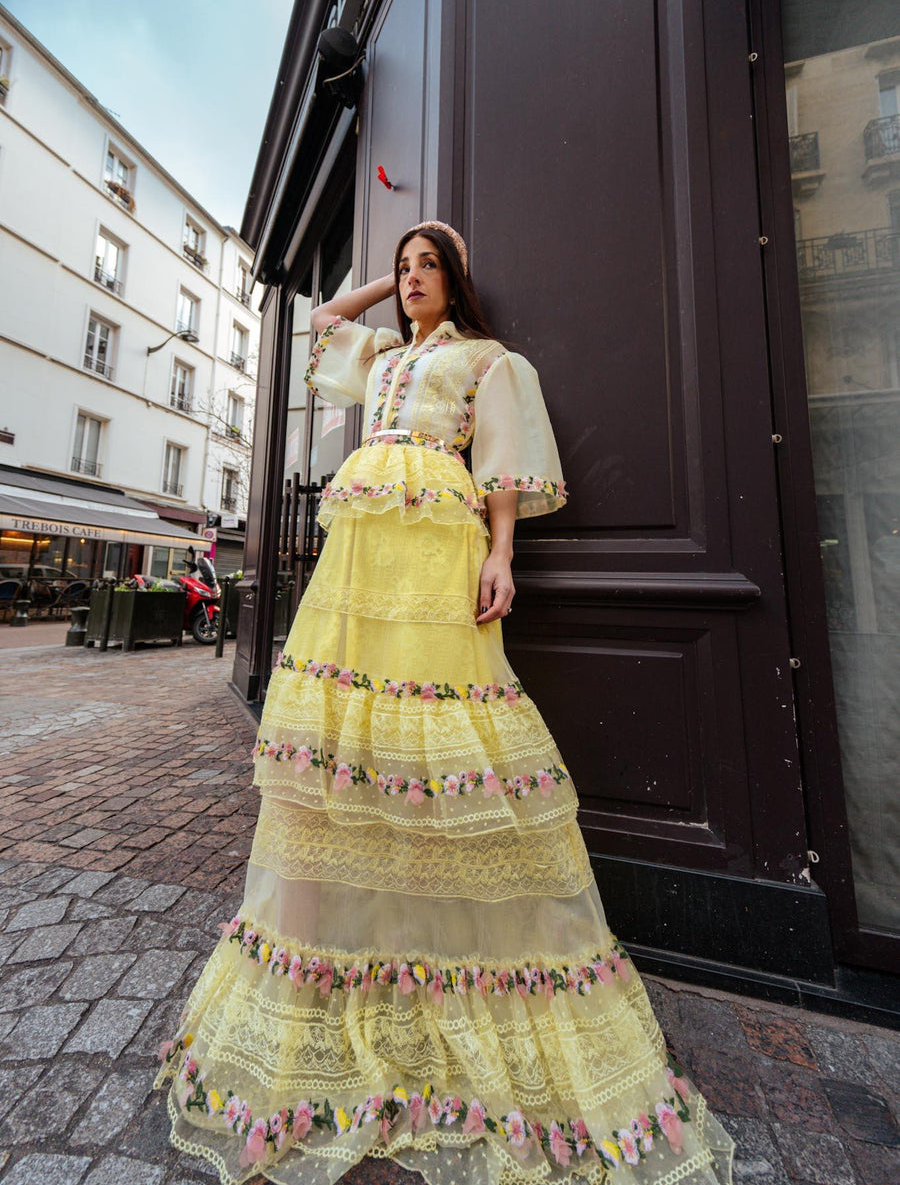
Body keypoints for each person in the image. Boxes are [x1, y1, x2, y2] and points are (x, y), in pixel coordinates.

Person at [154, 221, 736, 1185]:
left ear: (457, 280)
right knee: (352, 738)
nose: (413, 278)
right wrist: (383, 295)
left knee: (441, 724)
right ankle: (345, 937)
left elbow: (503, 469)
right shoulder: (382, 354)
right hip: (360, 556)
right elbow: (322, 324)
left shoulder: (490, 363)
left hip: (439, 551)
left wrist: (502, 555)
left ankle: (457, 947)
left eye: (429, 267)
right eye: (404, 266)